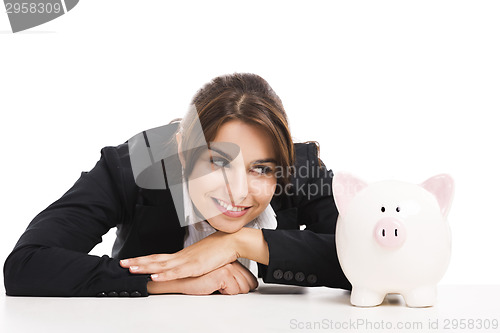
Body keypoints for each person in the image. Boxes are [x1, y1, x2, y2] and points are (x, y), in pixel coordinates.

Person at [3, 73, 351, 297]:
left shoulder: (300, 168)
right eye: (218, 162)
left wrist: (242, 242)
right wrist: (165, 281)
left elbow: (368, 262)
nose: (239, 191)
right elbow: (26, 265)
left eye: (261, 169)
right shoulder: (131, 168)